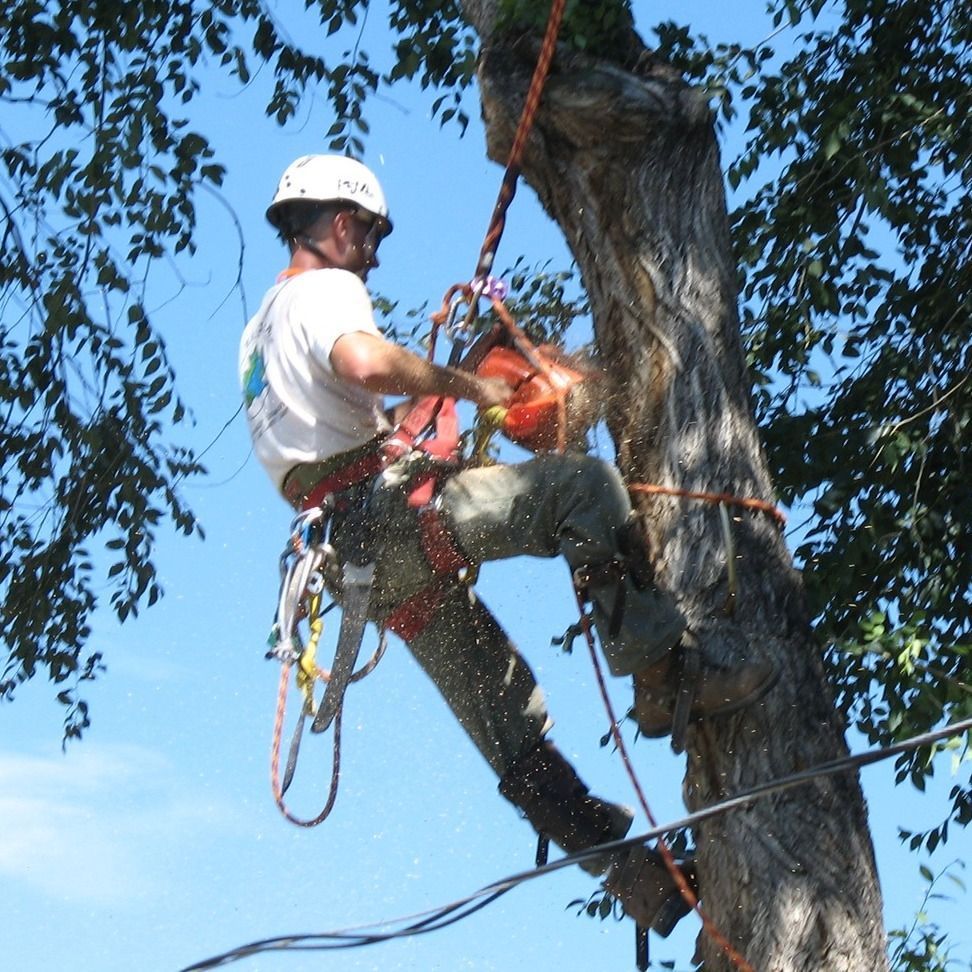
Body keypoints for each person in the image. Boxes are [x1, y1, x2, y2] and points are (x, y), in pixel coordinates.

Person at [240, 154, 776, 932]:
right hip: (385, 518)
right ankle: (664, 675)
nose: (375, 256)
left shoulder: (261, 331)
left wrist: (430, 430)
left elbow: (333, 431)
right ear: (344, 224)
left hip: (358, 562)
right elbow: (363, 361)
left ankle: (635, 877)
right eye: (372, 238)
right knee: (580, 491)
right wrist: (473, 387)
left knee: (507, 721)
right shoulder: (327, 289)